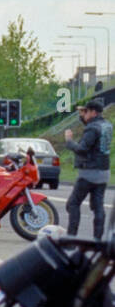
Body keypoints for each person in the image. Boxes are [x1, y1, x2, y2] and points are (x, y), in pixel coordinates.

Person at [62, 100, 112, 239]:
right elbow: (92, 129)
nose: (83, 114)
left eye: (86, 111)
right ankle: (98, 239)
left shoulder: (92, 128)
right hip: (103, 172)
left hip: (89, 173)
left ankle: (71, 237)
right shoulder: (107, 125)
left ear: (93, 112)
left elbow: (82, 149)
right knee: (98, 207)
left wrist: (69, 141)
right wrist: (82, 115)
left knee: (73, 203)